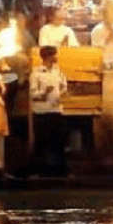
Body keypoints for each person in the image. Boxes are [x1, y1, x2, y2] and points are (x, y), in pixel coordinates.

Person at [29, 46, 68, 176]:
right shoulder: (36, 73)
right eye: (55, 55)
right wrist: (44, 92)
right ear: (48, 56)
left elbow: (63, 86)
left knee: (58, 141)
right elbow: (33, 94)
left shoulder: (58, 72)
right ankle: (40, 171)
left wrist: (61, 94)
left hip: (56, 110)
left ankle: (59, 171)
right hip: (41, 112)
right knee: (42, 142)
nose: (57, 57)